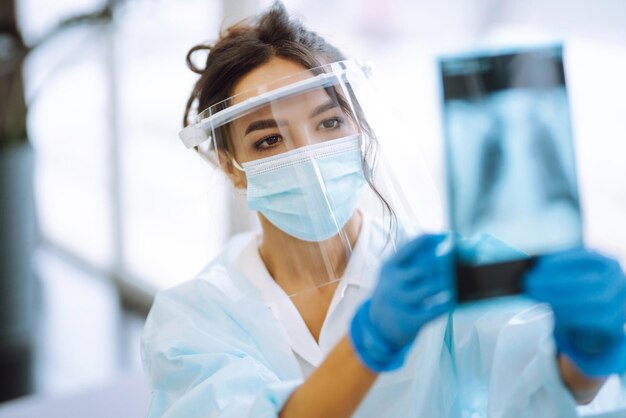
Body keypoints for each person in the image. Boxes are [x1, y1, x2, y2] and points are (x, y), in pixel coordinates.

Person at [140, 3, 626, 417]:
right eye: (268, 140)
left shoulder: (445, 274)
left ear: (360, 132)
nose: (308, 153)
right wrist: (370, 341)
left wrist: (588, 347)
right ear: (232, 167)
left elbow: (543, 380)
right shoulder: (192, 317)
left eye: (329, 122)